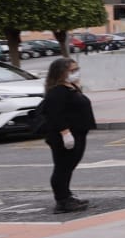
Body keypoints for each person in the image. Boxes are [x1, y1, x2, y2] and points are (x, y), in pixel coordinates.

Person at [34, 57, 95, 214]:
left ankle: (67, 196)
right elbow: (55, 115)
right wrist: (66, 134)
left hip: (78, 133)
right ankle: (61, 201)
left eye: (77, 69)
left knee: (69, 167)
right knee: (62, 168)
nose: (76, 73)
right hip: (65, 135)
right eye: (72, 70)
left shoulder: (71, 87)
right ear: (61, 73)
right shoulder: (57, 91)